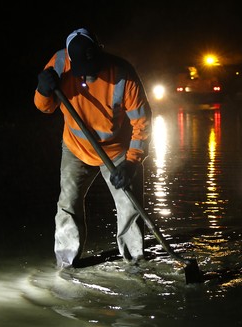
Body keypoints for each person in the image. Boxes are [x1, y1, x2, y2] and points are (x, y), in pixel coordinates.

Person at [34, 27, 152, 268]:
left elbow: (143, 122)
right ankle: (66, 262)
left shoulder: (123, 74)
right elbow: (44, 107)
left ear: (100, 53)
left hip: (116, 151)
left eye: (92, 71)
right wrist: (43, 90)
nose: (88, 78)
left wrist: (131, 163)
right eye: (82, 73)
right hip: (75, 148)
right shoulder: (58, 63)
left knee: (129, 205)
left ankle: (135, 262)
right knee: (68, 204)